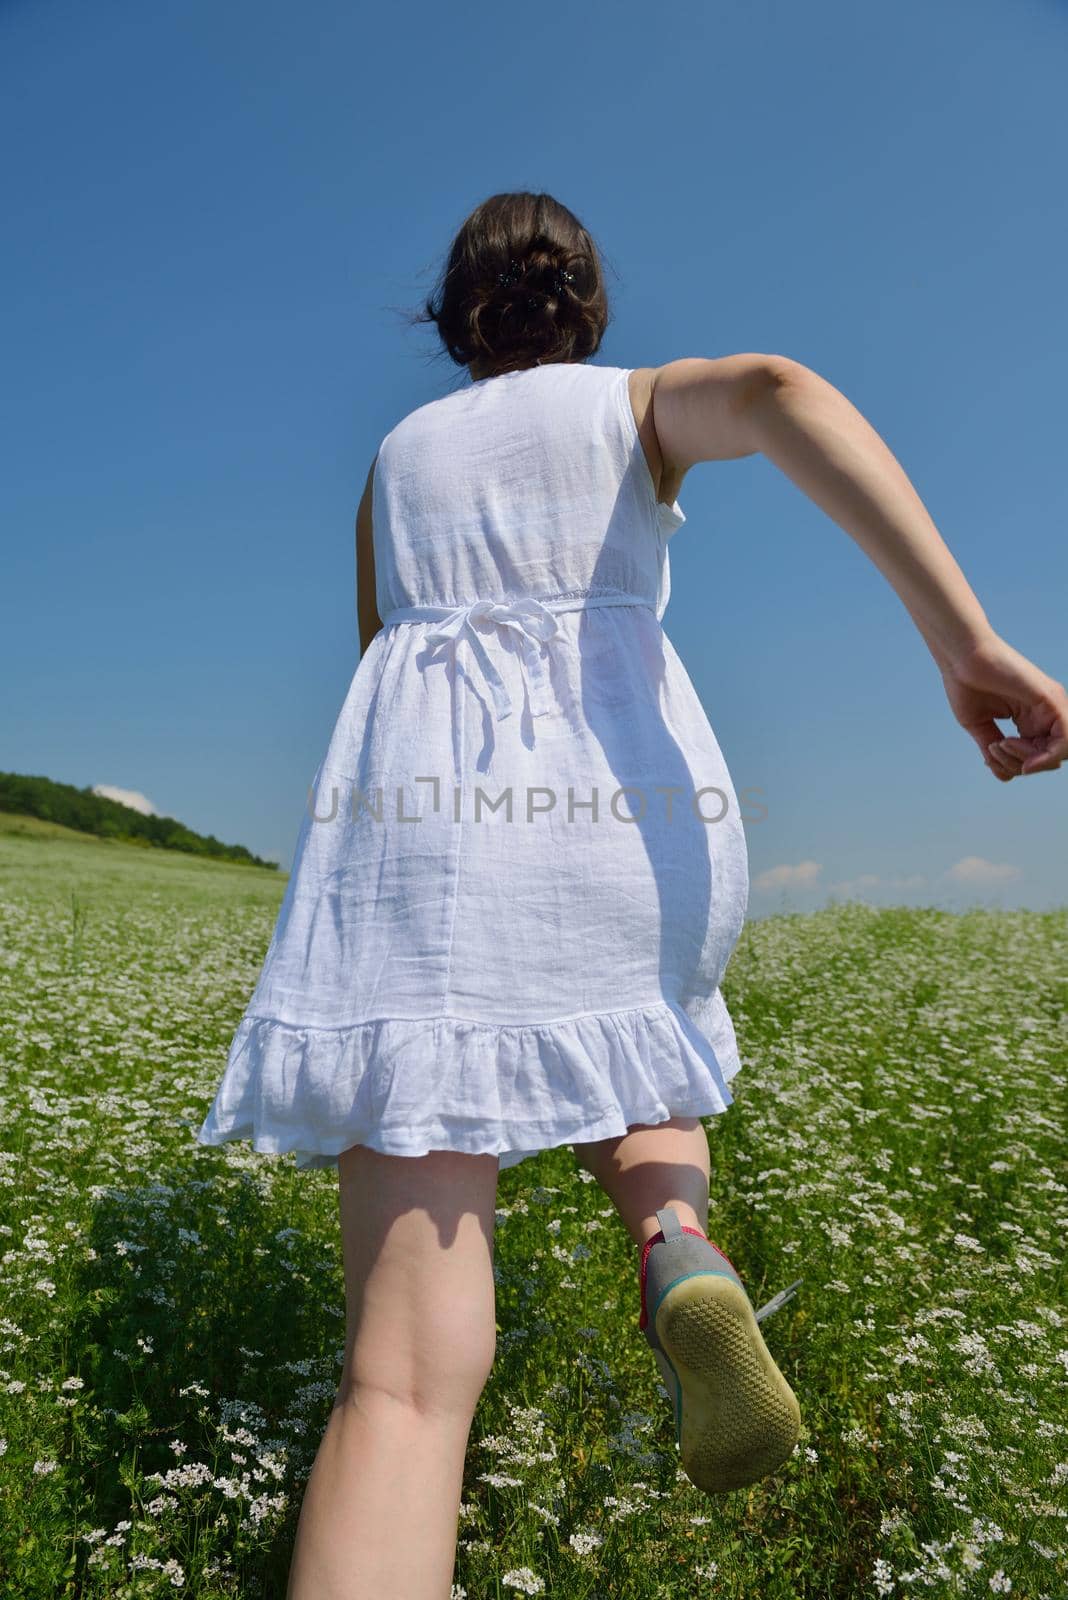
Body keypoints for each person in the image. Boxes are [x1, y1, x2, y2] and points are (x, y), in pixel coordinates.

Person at [195, 191, 1068, 1599]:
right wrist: (965, 643)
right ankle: (675, 1246)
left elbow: (381, 649)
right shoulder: (632, 405)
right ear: (585, 304)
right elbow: (783, 393)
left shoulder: (396, 459)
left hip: (425, 832)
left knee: (403, 1391)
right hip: (625, 816)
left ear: (455, 316)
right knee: (633, 1043)